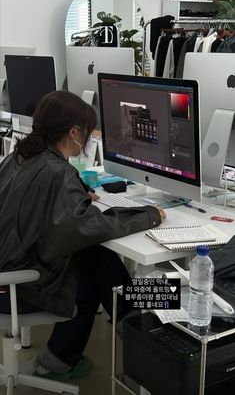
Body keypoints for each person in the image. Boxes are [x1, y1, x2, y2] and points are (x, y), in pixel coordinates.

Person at [0, 90, 166, 381]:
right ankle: (137, 333)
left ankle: (127, 326)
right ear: (74, 132)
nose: (87, 139)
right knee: (95, 268)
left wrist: (74, 193)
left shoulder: (20, 155)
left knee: (97, 260)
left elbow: (36, 201)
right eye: (86, 132)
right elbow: (92, 227)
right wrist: (149, 215)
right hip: (15, 286)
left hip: (8, 267)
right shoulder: (56, 171)